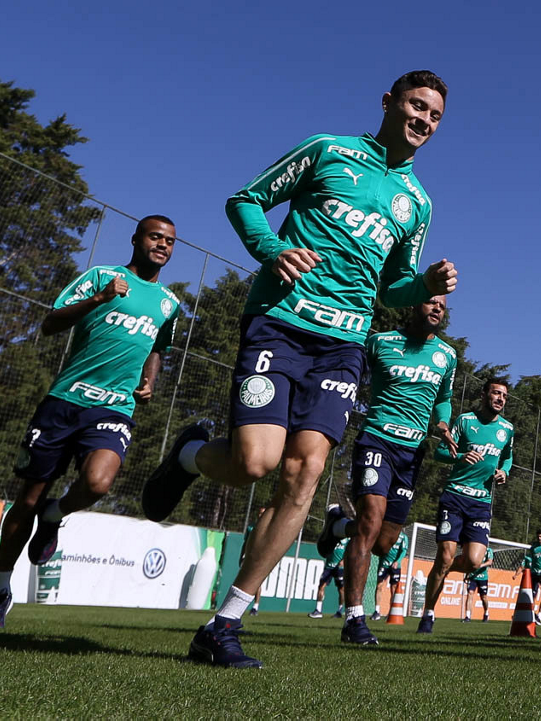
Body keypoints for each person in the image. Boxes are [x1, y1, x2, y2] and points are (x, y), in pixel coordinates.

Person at [140, 71, 458, 668]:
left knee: (304, 472)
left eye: (435, 115)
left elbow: (393, 287)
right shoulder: (328, 150)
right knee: (254, 463)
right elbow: (244, 200)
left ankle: (224, 623)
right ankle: (189, 456)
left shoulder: (418, 202)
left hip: (344, 345)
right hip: (281, 322)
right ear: (388, 103)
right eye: (417, 106)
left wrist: (425, 285)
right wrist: (272, 250)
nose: (424, 120)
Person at [0, 216, 181, 628]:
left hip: (114, 407)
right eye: (155, 237)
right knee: (27, 501)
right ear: (136, 239)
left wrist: (149, 380)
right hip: (64, 402)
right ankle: (0, 590)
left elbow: (158, 347)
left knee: (98, 483)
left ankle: (55, 515)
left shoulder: (169, 303)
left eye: (170, 241)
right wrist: (99, 299)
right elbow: (50, 323)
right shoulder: (101, 277)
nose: (162, 245)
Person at [315, 296, 457, 644]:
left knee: (384, 542)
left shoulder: (447, 355)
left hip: (412, 453)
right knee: (370, 521)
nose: (437, 308)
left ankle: (338, 526)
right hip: (376, 441)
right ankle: (354, 619)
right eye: (430, 302)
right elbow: (349, 371)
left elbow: (443, 399)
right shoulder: (380, 342)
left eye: (442, 305)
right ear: (414, 305)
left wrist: (442, 424)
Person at [417, 379, 514, 633]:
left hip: (481, 503)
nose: (500, 399)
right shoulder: (465, 421)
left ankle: (444, 569)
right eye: (496, 393)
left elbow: (507, 457)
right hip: (455, 496)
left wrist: (504, 471)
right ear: (484, 395)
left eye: (504, 396)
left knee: (472, 562)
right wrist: (461, 456)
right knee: (445, 555)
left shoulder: (507, 429)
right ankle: (428, 614)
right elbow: (440, 453)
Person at [371, 530, 411, 621]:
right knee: (379, 585)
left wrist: (397, 561)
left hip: (395, 566)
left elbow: (403, 551)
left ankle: (391, 612)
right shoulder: (386, 533)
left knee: (393, 589)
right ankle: (377, 611)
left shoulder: (403, 537)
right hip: (384, 564)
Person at [309, 537, 348, 619]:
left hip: (339, 568)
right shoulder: (331, 537)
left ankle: (340, 611)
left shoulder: (347, 540)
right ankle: (318, 610)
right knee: (321, 587)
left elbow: (349, 551)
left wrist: (343, 560)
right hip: (328, 567)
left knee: (341, 589)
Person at [240, 506, 269, 616]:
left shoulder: (268, 527)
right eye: (260, 513)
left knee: (256, 582)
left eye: (263, 513)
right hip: (248, 556)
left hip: (260, 557)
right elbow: (245, 542)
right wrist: (242, 555)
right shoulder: (251, 527)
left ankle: (255, 607)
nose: (261, 515)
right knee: (244, 581)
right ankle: (241, 606)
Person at [521, 530, 541, 622]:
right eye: (538, 536)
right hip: (534, 574)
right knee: (533, 594)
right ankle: (531, 614)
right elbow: (530, 559)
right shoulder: (533, 547)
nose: (539, 538)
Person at [462, 547, 494, 622]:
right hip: (472, 576)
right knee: (470, 593)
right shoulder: (474, 548)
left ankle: (486, 612)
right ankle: (468, 616)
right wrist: (467, 575)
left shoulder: (488, 550)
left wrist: (480, 565)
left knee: (483, 597)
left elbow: (490, 562)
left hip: (483, 577)